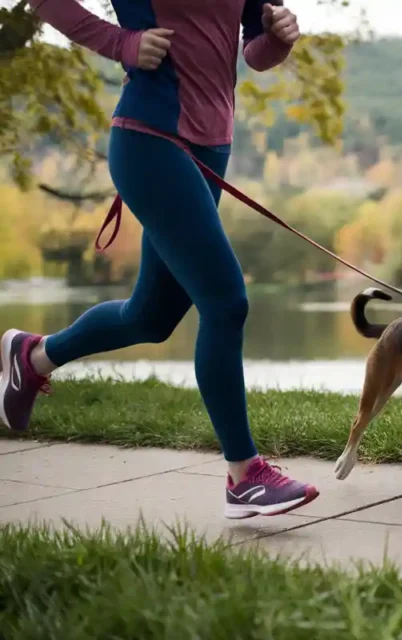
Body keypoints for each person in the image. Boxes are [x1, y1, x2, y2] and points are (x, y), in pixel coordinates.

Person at [1, 0, 319, 519]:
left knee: (150, 317)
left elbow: (255, 52)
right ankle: (245, 476)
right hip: (150, 138)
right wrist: (121, 43)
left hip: (211, 146)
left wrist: (279, 36)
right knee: (225, 301)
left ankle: (33, 357)